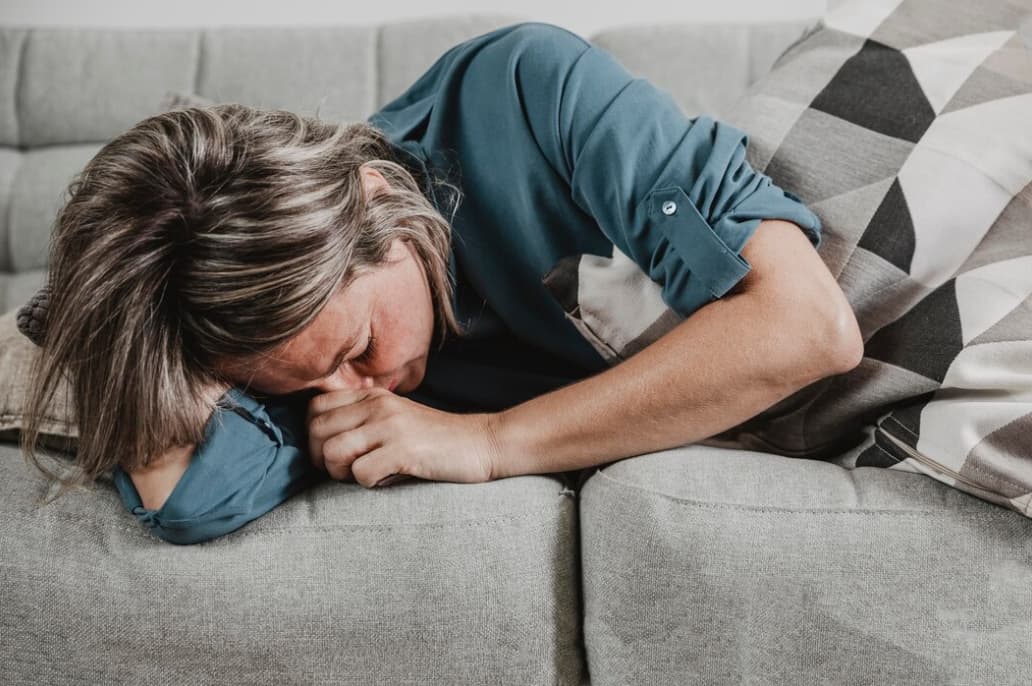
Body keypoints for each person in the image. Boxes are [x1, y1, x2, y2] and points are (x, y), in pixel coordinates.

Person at [19, 21, 863, 545]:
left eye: (357, 349)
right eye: (310, 385)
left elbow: (806, 326)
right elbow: (191, 501)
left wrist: (491, 440)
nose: (359, 395)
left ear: (377, 201)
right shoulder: (293, 342)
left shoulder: (527, 91)